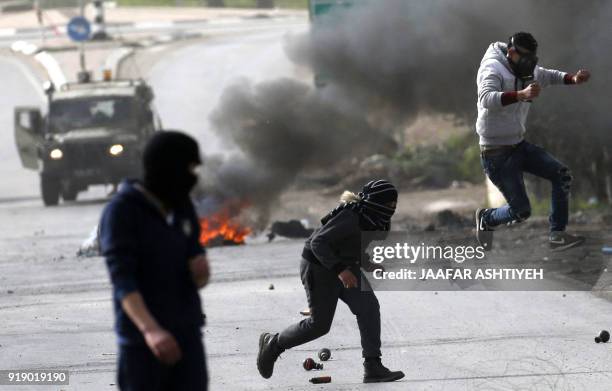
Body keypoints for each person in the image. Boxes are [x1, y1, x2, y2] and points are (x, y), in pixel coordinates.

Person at [257, 179, 405, 383]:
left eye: (394, 205)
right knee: (319, 325)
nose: (392, 209)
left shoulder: (376, 219)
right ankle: (274, 344)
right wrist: (341, 271)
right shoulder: (350, 216)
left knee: (368, 307)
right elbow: (319, 243)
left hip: (345, 265)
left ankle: (373, 366)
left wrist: (367, 264)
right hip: (319, 266)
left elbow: (356, 244)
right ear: (376, 202)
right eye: (389, 205)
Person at [100, 131, 210, 391]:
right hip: (142, 345)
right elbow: (123, 282)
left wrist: (201, 273)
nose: (193, 177)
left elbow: (198, 274)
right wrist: (151, 331)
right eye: (189, 168)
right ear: (168, 169)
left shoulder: (182, 208)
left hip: (187, 336)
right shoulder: (122, 211)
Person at [474, 32, 591, 252]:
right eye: (525, 57)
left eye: (532, 58)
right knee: (521, 211)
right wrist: (520, 94)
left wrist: (572, 79)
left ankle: (557, 235)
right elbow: (486, 98)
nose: (530, 63)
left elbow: (547, 75)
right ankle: (487, 218)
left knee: (561, 175)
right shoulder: (492, 68)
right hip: (495, 153)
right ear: (511, 53)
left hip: (519, 145)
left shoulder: (526, 68)